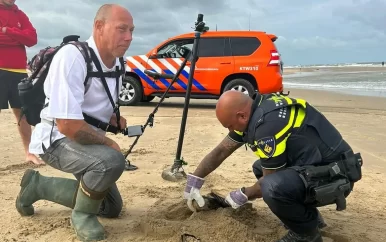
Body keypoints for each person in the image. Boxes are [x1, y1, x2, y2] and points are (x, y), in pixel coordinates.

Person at [15, 4, 134, 242]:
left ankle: (38, 186)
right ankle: (82, 216)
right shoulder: (73, 57)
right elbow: (68, 125)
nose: (129, 37)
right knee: (111, 161)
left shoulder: (119, 64)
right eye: (122, 29)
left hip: (84, 142)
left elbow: (90, 108)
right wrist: (109, 143)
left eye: (131, 30)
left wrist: (112, 120)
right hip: (56, 140)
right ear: (99, 27)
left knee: (111, 208)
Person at [184, 90, 362, 242]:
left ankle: (306, 234)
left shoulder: (267, 126)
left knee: (273, 187)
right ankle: (310, 218)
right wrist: (195, 179)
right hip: (319, 168)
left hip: (337, 175)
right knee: (259, 167)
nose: (230, 131)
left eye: (230, 126)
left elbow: (268, 181)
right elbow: (222, 150)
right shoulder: (256, 108)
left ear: (242, 116)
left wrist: (241, 194)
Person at [0, 0, 43, 165]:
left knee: (24, 114)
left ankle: (30, 153)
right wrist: (18, 36)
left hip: (19, 71)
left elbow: (32, 39)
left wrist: (7, 31)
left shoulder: (20, 14)